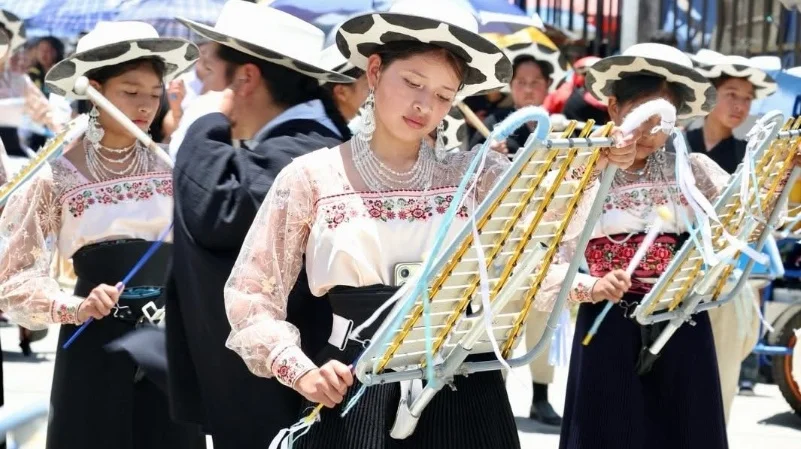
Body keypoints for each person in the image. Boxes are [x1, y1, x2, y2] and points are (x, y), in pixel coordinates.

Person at [221, 2, 636, 447]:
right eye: (413, 83)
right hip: (355, 387)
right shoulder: (311, 177)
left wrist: (597, 166)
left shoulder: (477, 175)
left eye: (443, 95)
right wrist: (300, 370)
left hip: (467, 387)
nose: (424, 104)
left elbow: (540, 238)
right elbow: (251, 294)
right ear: (375, 71)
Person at [549, 43, 797, 449]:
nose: (651, 132)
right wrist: (590, 287)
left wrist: (783, 173)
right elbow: (544, 260)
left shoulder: (692, 172)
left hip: (683, 323)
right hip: (608, 326)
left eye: (662, 119)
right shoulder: (581, 174)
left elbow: (749, 224)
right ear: (613, 109)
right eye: (641, 114)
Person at [0, 22, 204, 449]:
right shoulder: (57, 175)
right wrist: (72, 306)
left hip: (168, 348)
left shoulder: (172, 168)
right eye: (130, 92)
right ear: (94, 90)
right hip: (93, 344)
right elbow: (14, 276)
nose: (145, 105)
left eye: (154, 93)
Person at [165, 2, 354, 448]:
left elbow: (216, 207)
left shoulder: (304, 149)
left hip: (290, 397)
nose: (203, 87)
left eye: (208, 73)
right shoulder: (298, 144)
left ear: (245, 79)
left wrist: (203, 118)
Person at [689, 54, 777, 418]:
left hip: (725, 282)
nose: (739, 105)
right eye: (731, 94)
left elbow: (760, 218)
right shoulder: (678, 144)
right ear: (710, 94)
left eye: (747, 98)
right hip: (672, 275)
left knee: (720, 377)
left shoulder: (750, 157)